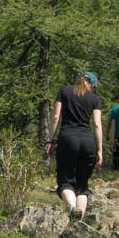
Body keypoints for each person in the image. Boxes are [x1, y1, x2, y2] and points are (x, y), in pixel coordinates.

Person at [46, 71, 103, 218]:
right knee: (82, 186)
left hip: (68, 140)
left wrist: (50, 141)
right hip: (88, 141)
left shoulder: (64, 91)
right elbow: (97, 124)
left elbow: (56, 117)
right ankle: (80, 219)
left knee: (65, 182)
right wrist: (100, 150)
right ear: (93, 86)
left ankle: (72, 209)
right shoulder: (95, 99)